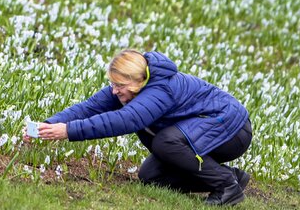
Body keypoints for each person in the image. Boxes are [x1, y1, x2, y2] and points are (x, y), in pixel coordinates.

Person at [25, 49, 252, 206]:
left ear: (137, 81)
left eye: (119, 85)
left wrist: (69, 131)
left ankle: (226, 187)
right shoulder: (131, 88)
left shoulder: (160, 90)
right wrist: (49, 124)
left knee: (166, 141)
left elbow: (126, 120)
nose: (114, 91)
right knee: (151, 176)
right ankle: (230, 178)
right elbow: (90, 107)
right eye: (112, 84)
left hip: (232, 130)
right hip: (201, 131)